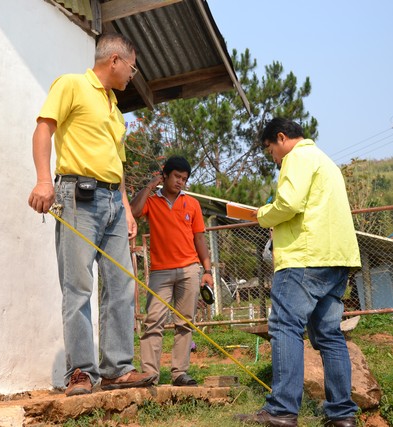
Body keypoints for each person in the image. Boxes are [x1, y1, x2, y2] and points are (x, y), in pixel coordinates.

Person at [27, 33, 156, 397]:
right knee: (78, 286)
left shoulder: (115, 109)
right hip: (77, 196)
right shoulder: (72, 85)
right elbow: (44, 130)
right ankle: (81, 372)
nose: (132, 75)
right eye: (132, 67)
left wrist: (126, 208)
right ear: (114, 60)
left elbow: (118, 164)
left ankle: (117, 369)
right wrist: (43, 180)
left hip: (113, 201)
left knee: (122, 284)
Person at [236, 118, 361, 427]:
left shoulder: (296, 157)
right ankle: (342, 414)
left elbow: (289, 203)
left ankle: (281, 410)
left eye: (270, 150)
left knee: (285, 327)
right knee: (329, 335)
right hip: (337, 258)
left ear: (281, 138)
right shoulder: (326, 162)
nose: (273, 158)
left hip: (305, 258)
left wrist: (262, 214)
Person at [130, 156, 214, 386]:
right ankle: (149, 374)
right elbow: (134, 211)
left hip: (189, 270)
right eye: (177, 176)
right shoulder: (151, 201)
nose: (180, 182)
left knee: (185, 323)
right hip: (160, 272)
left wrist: (207, 270)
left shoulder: (192, 204)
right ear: (164, 175)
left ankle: (179, 373)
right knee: (153, 322)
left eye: (184, 179)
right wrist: (150, 186)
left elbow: (199, 238)